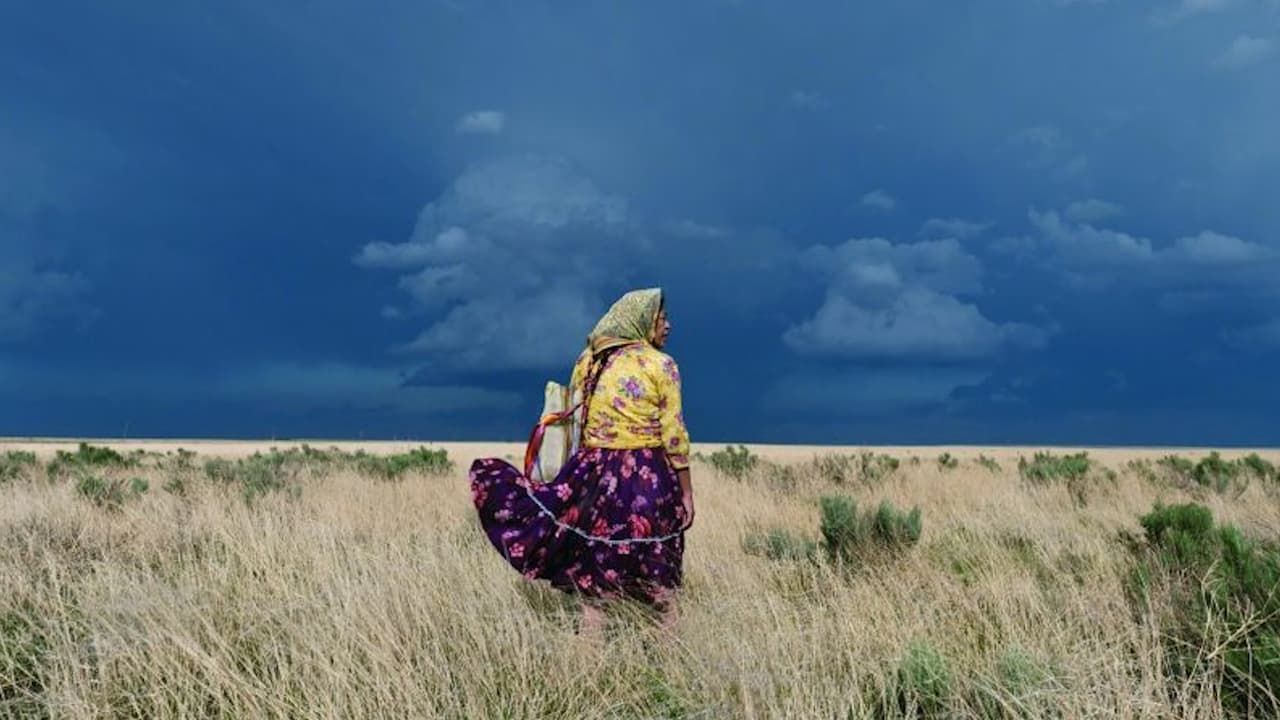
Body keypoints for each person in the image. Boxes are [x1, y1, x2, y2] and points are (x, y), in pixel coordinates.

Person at [469, 288, 694, 637]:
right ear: (642, 320)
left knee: (595, 593)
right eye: (661, 318)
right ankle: (672, 671)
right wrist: (686, 493)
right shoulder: (660, 364)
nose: (668, 325)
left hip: (594, 479)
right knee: (662, 586)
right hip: (647, 479)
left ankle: (586, 672)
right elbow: (674, 433)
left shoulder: (589, 360)